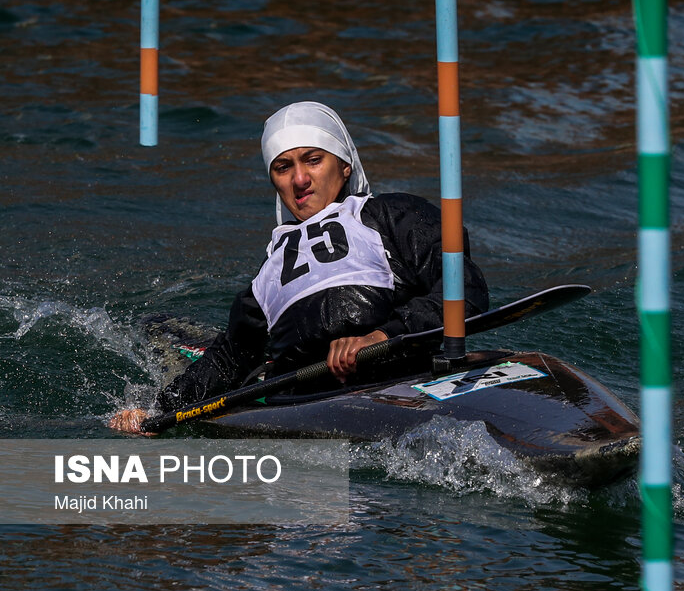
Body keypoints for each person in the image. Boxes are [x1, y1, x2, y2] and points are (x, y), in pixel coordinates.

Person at [110, 101, 489, 433]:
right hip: (306, 398)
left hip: (406, 373)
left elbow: (464, 290)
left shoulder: (395, 215)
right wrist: (156, 411)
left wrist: (381, 337)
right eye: (283, 167)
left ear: (344, 166)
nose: (300, 180)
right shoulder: (266, 276)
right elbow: (229, 359)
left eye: (313, 159)